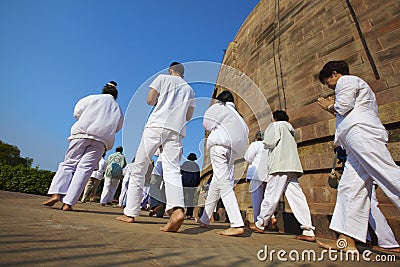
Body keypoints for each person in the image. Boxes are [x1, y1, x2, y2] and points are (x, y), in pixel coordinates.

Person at [316, 60, 400, 251]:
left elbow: (343, 107)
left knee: (389, 176)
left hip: (362, 134)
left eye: (327, 81)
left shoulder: (347, 81)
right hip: (355, 139)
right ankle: (346, 240)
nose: (328, 85)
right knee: (350, 188)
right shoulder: (357, 86)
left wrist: (329, 106)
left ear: (335, 74)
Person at [116, 62, 195, 233]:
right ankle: (177, 210)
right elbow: (189, 116)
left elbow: (150, 100)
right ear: (183, 73)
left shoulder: (162, 78)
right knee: (172, 170)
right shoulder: (190, 90)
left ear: (170, 70)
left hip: (156, 125)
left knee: (140, 167)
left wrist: (162, 101)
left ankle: (130, 212)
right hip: (176, 130)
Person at [42, 81, 124, 210]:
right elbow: (118, 127)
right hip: (102, 140)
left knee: (69, 163)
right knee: (84, 170)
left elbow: (77, 112)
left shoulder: (92, 98)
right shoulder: (117, 108)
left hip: (82, 133)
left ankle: (57, 193)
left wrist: (88, 118)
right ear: (115, 94)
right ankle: (68, 203)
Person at [249, 110, 316, 242]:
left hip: (279, 165)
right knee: (297, 197)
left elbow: (268, 141)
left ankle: (260, 223)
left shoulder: (276, 126)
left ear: (275, 118)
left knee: (271, 195)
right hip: (292, 166)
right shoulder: (291, 131)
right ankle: (308, 229)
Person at [199, 90, 249, 236]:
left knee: (223, 182)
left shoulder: (219, 108)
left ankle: (236, 223)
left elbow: (206, 124)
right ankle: (204, 219)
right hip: (233, 152)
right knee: (216, 182)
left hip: (219, 147)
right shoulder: (239, 118)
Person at [244, 131, 277, 229]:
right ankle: (272, 217)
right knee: (266, 198)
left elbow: (248, 158)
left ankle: (257, 222)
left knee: (257, 199)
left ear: (256, 138)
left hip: (256, 174)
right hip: (268, 174)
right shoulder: (271, 146)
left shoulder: (256, 144)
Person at [181, 152, 201, 219]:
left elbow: (181, 172)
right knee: (191, 199)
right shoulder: (196, 165)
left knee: (182, 198)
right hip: (193, 185)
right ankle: (189, 214)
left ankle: (181, 212)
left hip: (184, 184)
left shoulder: (185, 164)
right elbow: (198, 176)